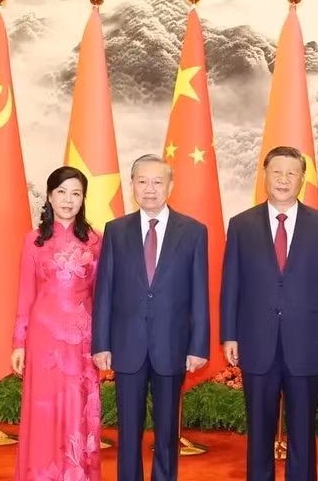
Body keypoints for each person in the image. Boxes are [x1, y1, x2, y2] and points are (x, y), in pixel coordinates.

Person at [220, 146, 318, 481]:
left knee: (303, 431)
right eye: (277, 172)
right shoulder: (241, 225)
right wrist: (229, 334)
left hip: (306, 344)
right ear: (264, 176)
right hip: (256, 342)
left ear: (303, 179)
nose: (284, 179)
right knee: (258, 430)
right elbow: (231, 285)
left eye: (292, 173)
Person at [91, 154, 209, 481]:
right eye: (142, 182)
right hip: (127, 346)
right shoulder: (116, 231)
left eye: (158, 182)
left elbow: (200, 292)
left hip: (171, 346)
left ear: (170, 186)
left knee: (167, 432)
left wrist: (198, 345)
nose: (150, 189)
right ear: (132, 186)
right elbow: (105, 291)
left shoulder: (194, 231)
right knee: (128, 432)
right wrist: (101, 343)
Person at [11, 166, 102, 481]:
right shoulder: (33, 241)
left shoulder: (96, 241)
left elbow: (102, 297)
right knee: (43, 411)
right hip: (43, 340)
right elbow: (26, 294)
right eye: (62, 192)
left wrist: (103, 342)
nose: (68, 199)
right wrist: (18, 342)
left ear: (83, 199)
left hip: (83, 341)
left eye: (76, 193)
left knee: (78, 409)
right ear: (49, 196)